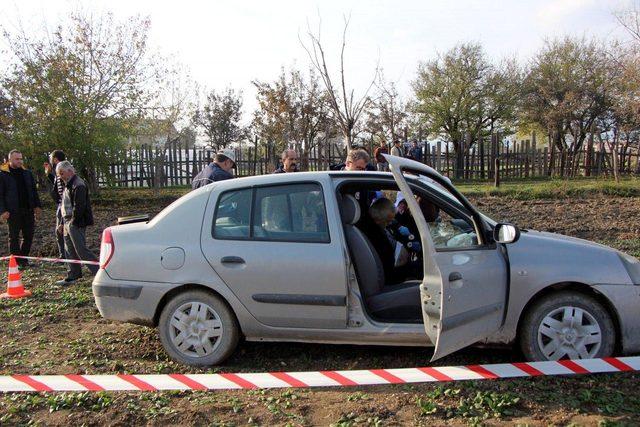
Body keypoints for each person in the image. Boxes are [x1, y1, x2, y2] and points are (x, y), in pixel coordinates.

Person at [55, 161, 99, 285]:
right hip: (67, 221)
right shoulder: (68, 184)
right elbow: (65, 205)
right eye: (60, 174)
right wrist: (63, 222)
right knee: (69, 250)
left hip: (76, 222)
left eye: (62, 173)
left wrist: (73, 222)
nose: (61, 176)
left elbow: (79, 206)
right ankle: (73, 275)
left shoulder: (78, 184)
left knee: (81, 250)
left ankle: (100, 272)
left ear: (70, 171)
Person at [0, 150, 42, 268]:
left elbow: (33, 190)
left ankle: (24, 260)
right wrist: (2, 210)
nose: (20, 161)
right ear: (10, 160)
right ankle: (16, 262)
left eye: (21, 158)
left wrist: (37, 206)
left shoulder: (27, 173)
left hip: (28, 210)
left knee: (28, 236)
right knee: (13, 237)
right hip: (12, 211)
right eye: (17, 159)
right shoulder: (3, 175)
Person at [45, 150, 67, 260]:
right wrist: (49, 174)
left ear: (55, 159)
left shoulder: (63, 172)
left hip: (64, 206)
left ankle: (65, 256)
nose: (50, 160)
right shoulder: (59, 172)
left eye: (51, 158)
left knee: (61, 231)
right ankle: (65, 256)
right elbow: (56, 187)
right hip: (61, 205)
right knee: (60, 232)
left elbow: (63, 192)